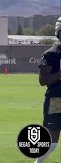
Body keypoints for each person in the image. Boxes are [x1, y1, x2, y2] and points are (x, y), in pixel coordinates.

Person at [36, 16, 61, 163]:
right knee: (53, 139)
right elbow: (42, 81)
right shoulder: (51, 54)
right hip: (56, 99)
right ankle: (39, 162)